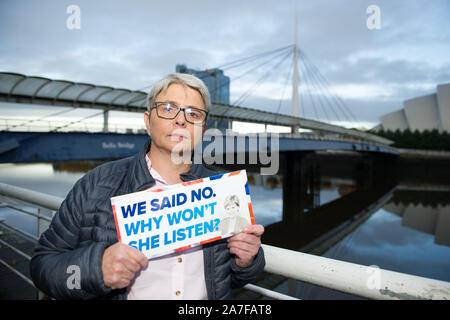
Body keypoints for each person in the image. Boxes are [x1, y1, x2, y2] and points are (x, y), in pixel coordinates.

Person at [30, 73, 265, 300]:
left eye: (193, 113)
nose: (181, 119)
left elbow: (227, 279)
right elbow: (44, 266)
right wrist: (96, 269)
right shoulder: (97, 184)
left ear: (202, 130)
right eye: (168, 108)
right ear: (147, 121)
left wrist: (246, 261)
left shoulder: (224, 191)